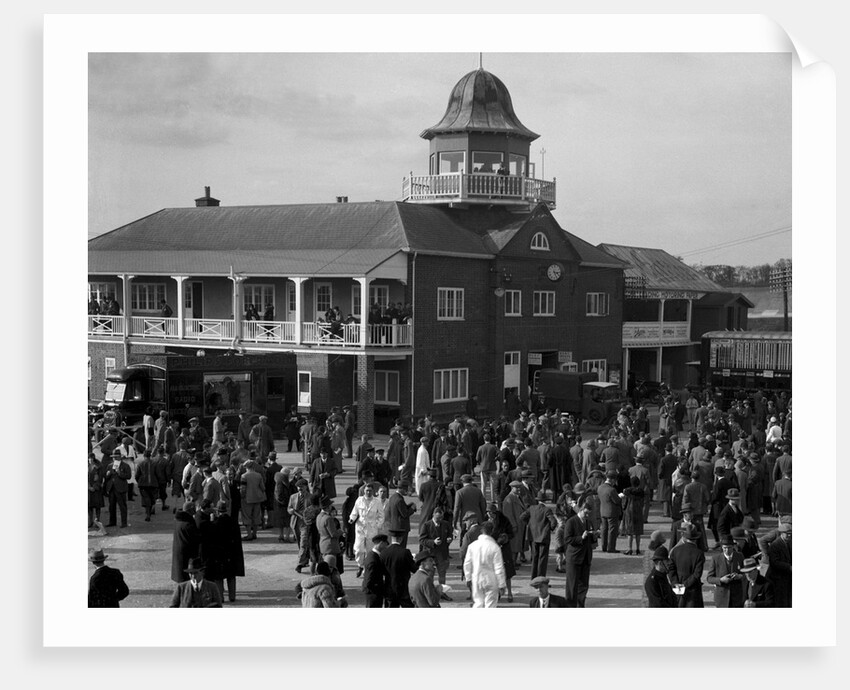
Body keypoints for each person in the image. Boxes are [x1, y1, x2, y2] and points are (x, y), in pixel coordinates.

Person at [462, 521, 506, 608]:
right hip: (490, 579)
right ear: (492, 531)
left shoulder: (472, 546)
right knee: (490, 605)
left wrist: (468, 578)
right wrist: (501, 584)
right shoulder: (494, 547)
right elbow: (499, 568)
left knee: (478, 603)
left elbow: (467, 563)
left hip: (476, 578)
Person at [563, 498, 597, 608]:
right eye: (586, 513)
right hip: (574, 558)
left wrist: (594, 536)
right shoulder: (571, 522)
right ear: (581, 510)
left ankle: (580, 605)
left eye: (589, 514)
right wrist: (580, 537)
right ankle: (570, 606)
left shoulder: (588, 522)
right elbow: (567, 539)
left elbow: (590, 539)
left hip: (586, 558)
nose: (587, 516)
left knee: (584, 585)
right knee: (572, 585)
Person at [348, 482, 384, 577]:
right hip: (360, 528)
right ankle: (360, 565)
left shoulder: (377, 502)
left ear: (373, 491)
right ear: (364, 491)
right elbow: (354, 512)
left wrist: (377, 525)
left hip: (372, 528)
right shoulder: (359, 500)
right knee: (358, 549)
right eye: (367, 490)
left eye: (370, 491)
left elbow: (381, 515)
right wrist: (351, 519)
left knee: (369, 550)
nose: (368, 492)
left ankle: (367, 569)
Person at [418, 505, 453, 600]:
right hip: (430, 555)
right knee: (429, 576)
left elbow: (450, 534)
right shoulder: (426, 525)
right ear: (433, 515)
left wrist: (450, 539)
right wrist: (433, 542)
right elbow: (422, 540)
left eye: (441, 518)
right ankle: (429, 594)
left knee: (442, 575)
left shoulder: (446, 524)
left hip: (442, 554)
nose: (439, 520)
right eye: (437, 518)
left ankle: (442, 593)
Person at [520, 494, 557, 580]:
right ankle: (541, 578)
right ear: (546, 501)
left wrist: (529, 524)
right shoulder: (547, 510)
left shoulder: (532, 508)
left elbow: (522, 517)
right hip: (543, 537)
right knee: (542, 558)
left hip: (533, 536)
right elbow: (553, 522)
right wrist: (549, 529)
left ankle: (533, 577)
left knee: (534, 557)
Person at [669, 523, 705, 608]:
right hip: (693, 591)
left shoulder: (675, 550)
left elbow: (670, 569)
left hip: (677, 589)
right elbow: (697, 574)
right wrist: (685, 585)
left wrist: (675, 583)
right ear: (695, 539)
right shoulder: (699, 553)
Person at [706, 535, 745, 608]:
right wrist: (720, 580)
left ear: (733, 547)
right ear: (722, 547)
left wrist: (740, 576)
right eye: (725, 548)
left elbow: (745, 573)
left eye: (729, 548)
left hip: (737, 597)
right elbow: (709, 578)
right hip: (722, 598)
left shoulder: (740, 556)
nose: (727, 550)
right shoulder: (715, 559)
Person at [381, 530, 417, 607]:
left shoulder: (384, 552)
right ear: (401, 538)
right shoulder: (405, 552)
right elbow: (414, 569)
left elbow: (382, 570)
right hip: (403, 588)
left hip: (389, 588)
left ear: (391, 538)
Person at [383, 481, 417, 550]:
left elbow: (399, 509)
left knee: (394, 547)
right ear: (401, 489)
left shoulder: (393, 497)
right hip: (401, 528)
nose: (406, 491)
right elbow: (405, 514)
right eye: (405, 490)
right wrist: (412, 509)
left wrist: (408, 505)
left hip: (394, 526)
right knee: (401, 547)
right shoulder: (399, 500)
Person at [103, 449, 132, 528]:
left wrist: (120, 473)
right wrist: (108, 474)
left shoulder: (125, 466)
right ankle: (112, 522)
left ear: (120, 457)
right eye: (113, 457)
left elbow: (128, 476)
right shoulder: (110, 466)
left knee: (122, 506)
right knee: (111, 506)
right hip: (112, 488)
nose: (114, 458)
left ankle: (124, 523)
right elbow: (106, 477)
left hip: (121, 488)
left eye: (116, 457)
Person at [597, 469, 623, 554]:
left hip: (603, 511)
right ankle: (611, 547)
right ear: (612, 479)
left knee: (604, 529)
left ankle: (604, 546)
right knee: (612, 530)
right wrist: (620, 496)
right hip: (612, 512)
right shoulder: (611, 490)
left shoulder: (600, 487)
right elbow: (616, 501)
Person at [239, 461, 265, 541]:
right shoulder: (258, 475)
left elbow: (243, 489)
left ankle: (249, 534)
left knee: (247, 516)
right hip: (257, 498)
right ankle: (255, 534)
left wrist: (241, 497)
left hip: (247, 499)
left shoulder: (244, 476)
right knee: (256, 516)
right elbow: (263, 488)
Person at [362, 533, 390, 608]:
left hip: (373, 593)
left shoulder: (372, 555)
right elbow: (369, 581)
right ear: (381, 543)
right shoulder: (373, 560)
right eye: (385, 544)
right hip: (373, 594)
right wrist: (379, 589)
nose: (386, 547)